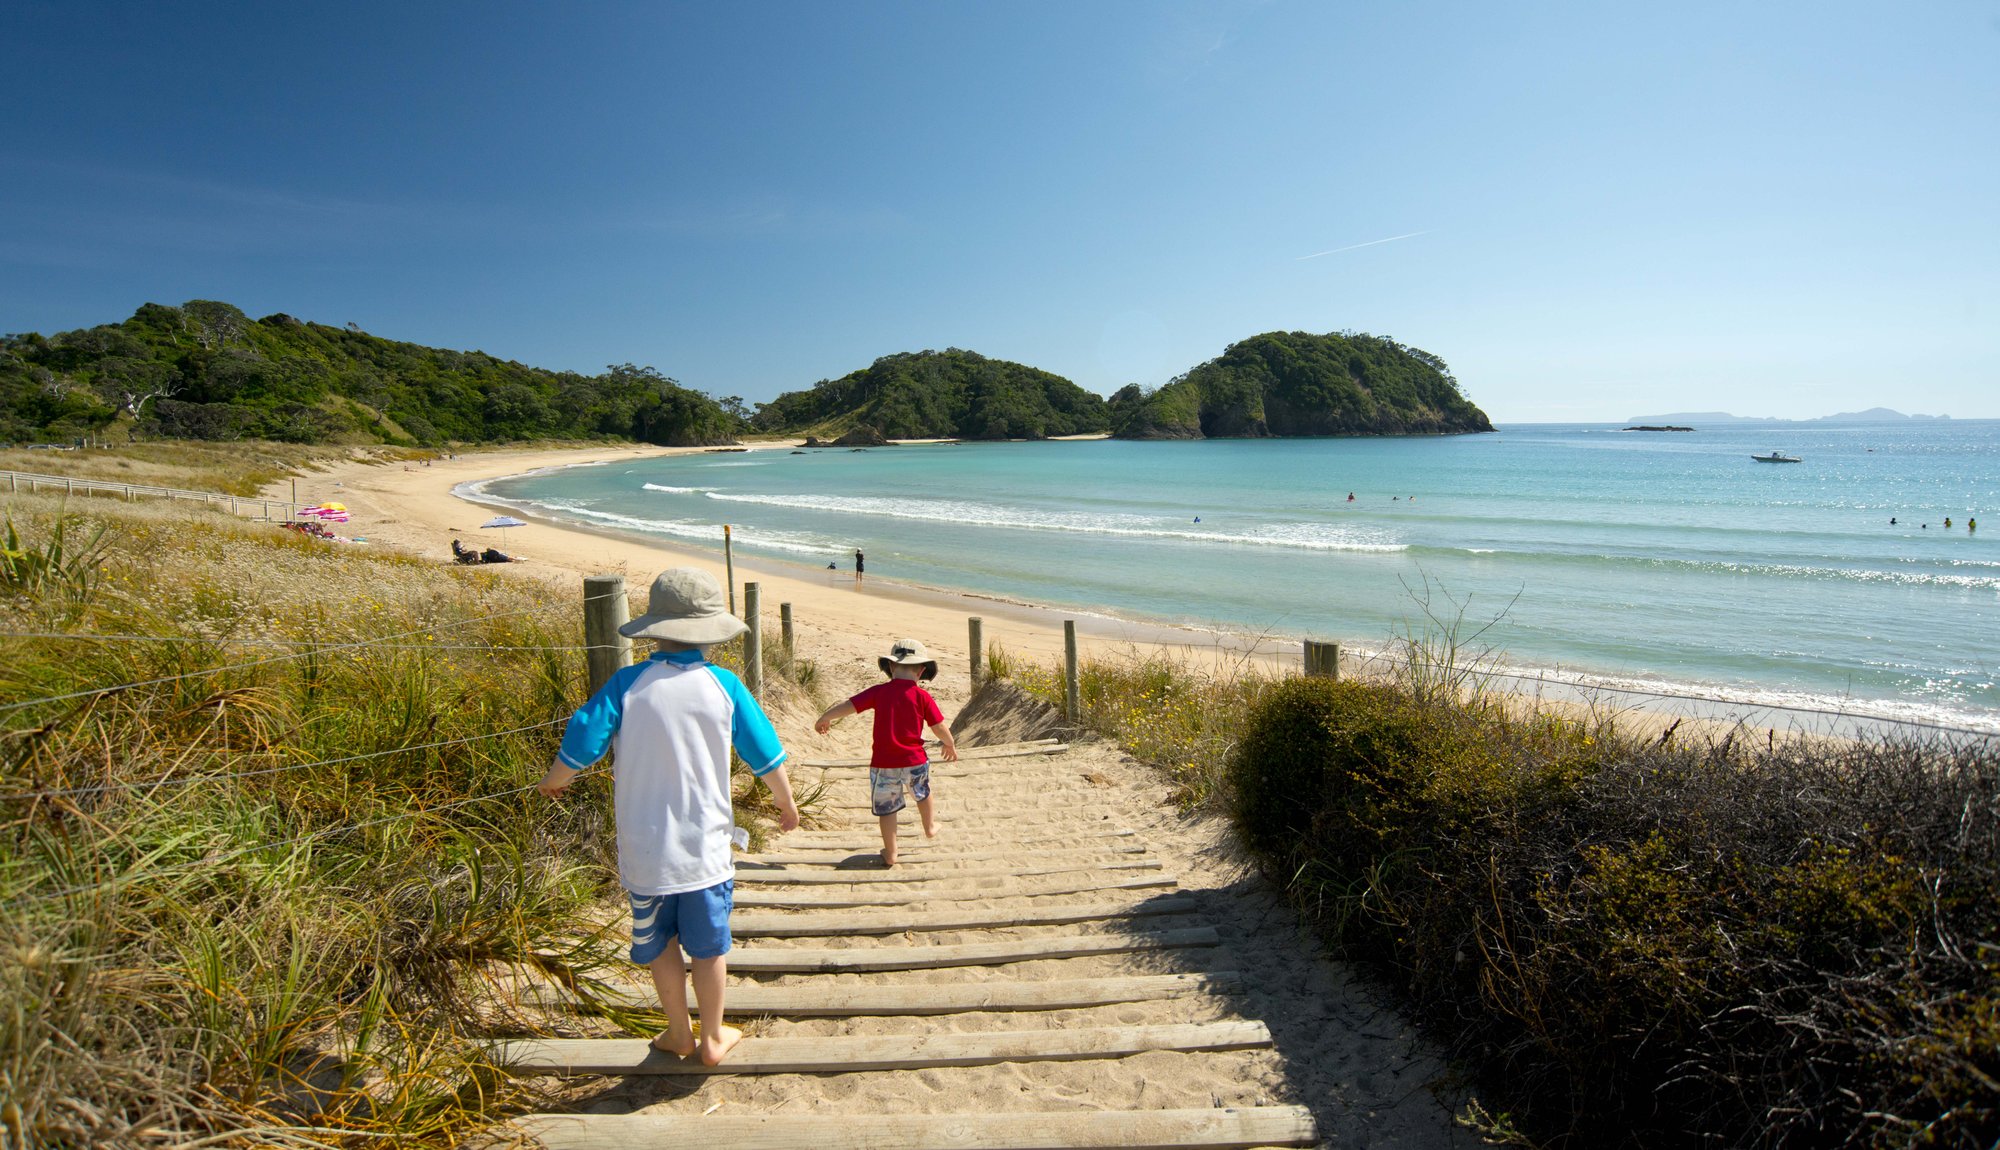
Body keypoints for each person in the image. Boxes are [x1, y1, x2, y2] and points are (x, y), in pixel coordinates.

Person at [537, 568, 798, 1066]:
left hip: (646, 852)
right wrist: (786, 803)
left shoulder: (627, 683)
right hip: (705, 851)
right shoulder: (724, 685)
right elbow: (763, 752)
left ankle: (678, 1033)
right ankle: (713, 1036)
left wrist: (556, 778)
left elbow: (585, 737)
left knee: (660, 944)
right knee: (709, 948)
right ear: (711, 631)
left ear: (654, 629)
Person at [814, 638, 958, 867]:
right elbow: (938, 726)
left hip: (883, 763)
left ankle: (891, 852)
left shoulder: (878, 692)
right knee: (922, 793)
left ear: (891, 666)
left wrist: (826, 717)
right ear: (921, 671)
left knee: (887, 808)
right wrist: (949, 743)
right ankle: (930, 827)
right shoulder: (922, 697)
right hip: (914, 760)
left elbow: (850, 706)